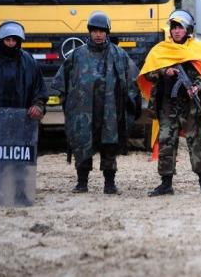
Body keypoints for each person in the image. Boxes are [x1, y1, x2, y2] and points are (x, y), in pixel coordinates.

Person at [138, 10, 201, 196]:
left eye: (180, 28)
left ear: (187, 29)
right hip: (167, 106)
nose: (177, 31)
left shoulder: (198, 49)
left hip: (190, 107)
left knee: (197, 143)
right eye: (174, 28)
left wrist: (197, 87)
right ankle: (166, 183)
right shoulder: (160, 50)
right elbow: (147, 73)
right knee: (166, 142)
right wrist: (164, 72)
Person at [52, 11, 141, 195]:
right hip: (83, 111)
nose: (98, 34)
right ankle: (82, 182)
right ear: (89, 32)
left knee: (109, 144)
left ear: (107, 32)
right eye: (95, 31)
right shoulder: (77, 55)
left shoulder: (119, 55)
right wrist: (70, 106)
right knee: (83, 143)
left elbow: (133, 82)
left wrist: (128, 105)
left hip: (110, 110)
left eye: (102, 31)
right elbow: (62, 83)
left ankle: (110, 183)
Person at [0, 20, 49, 205]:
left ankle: (21, 192)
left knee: (21, 158)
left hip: (22, 121)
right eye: (7, 40)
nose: (11, 43)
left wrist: (37, 105)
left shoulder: (29, 62)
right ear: (0, 40)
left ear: (19, 41)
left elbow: (40, 90)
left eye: (14, 40)